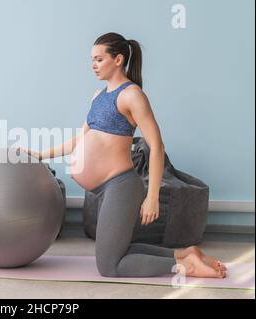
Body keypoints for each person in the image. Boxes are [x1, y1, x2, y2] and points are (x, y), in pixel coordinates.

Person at [19, 32, 226, 278]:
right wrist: (41, 154)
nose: (93, 65)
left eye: (99, 59)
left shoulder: (132, 95)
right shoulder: (98, 96)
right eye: (92, 60)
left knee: (109, 266)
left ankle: (185, 268)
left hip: (121, 186)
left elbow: (157, 147)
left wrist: (152, 197)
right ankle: (184, 253)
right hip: (104, 189)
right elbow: (80, 140)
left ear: (118, 60)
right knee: (119, 250)